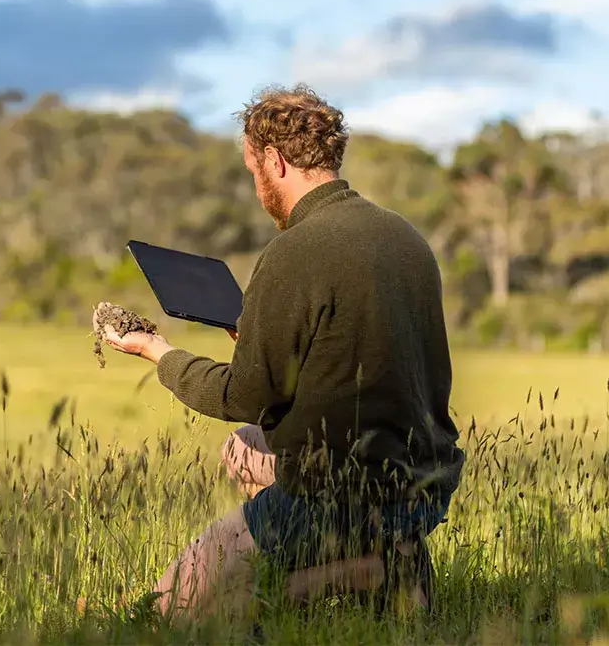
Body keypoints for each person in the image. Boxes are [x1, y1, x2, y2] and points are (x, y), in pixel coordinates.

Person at [94, 83, 466, 623]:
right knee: (242, 450)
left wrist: (159, 353)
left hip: (342, 495)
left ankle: (370, 572)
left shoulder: (295, 251)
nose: (256, 185)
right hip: (423, 483)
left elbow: (242, 395)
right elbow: (356, 355)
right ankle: (385, 561)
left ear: (275, 160)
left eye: (253, 171)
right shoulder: (405, 237)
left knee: (175, 612)